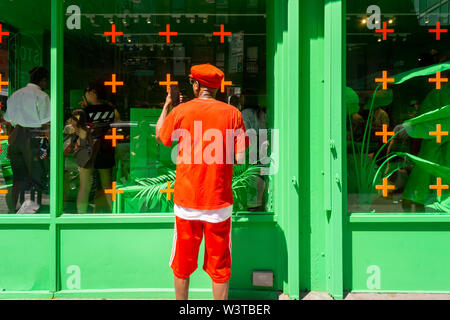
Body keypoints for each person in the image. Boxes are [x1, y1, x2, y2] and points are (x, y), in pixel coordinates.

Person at [156, 64, 249, 300]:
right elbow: (240, 158)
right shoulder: (232, 114)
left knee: (182, 263)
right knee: (220, 268)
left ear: (196, 85)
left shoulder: (181, 111)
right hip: (218, 203)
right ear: (217, 88)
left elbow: (161, 137)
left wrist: (168, 104)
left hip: (187, 202)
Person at [4, 67, 50, 213]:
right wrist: (49, 143)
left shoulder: (16, 94)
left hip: (15, 136)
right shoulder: (42, 96)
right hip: (33, 136)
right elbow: (46, 123)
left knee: (18, 178)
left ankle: (12, 211)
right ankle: (33, 210)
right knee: (36, 176)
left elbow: (7, 120)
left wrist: (11, 140)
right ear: (43, 80)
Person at [67, 80, 117, 213]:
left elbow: (81, 133)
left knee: (84, 187)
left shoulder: (84, 112)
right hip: (105, 150)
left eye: (87, 91)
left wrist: (76, 126)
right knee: (107, 186)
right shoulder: (112, 110)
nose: (85, 94)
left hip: (87, 152)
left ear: (93, 93)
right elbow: (117, 125)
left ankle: (81, 217)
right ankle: (115, 215)